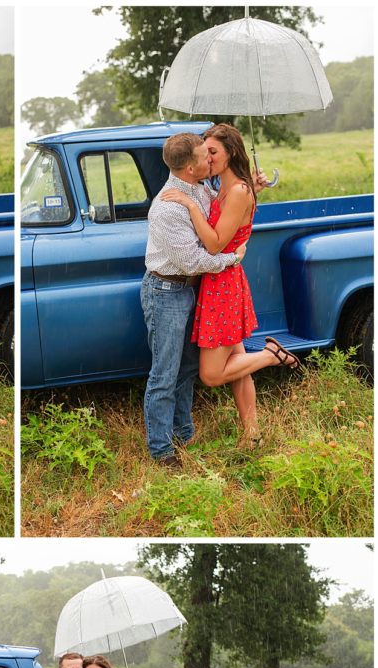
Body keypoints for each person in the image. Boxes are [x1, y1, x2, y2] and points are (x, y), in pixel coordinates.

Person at [160, 123, 300, 447]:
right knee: (237, 367)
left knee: (211, 374)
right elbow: (236, 209)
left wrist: (191, 205)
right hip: (219, 281)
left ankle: (270, 355)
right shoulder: (226, 187)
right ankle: (252, 436)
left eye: (213, 152)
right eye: (204, 151)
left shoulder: (236, 191)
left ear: (231, 152)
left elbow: (214, 244)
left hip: (223, 284)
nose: (207, 158)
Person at [142, 132, 251, 468]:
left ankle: (184, 433)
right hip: (165, 292)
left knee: (188, 367)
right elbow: (194, 260)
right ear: (190, 167)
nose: (211, 161)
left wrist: (251, 188)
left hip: (190, 290)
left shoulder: (201, 189)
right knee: (164, 372)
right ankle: (162, 450)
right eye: (205, 156)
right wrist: (231, 260)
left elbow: (226, 206)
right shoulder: (167, 209)